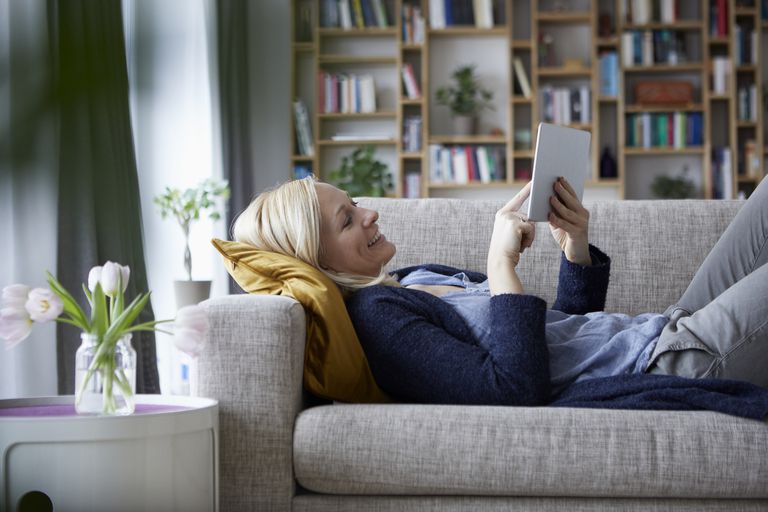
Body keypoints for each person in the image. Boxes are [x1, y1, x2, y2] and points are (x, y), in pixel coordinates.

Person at [232, 175, 768, 406]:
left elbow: (564, 338)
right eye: (348, 219)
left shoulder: (413, 279)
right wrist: (500, 262)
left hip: (666, 326)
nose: (371, 212)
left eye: (354, 202)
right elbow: (517, 388)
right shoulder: (378, 319)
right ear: (318, 260)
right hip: (674, 361)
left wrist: (574, 247)